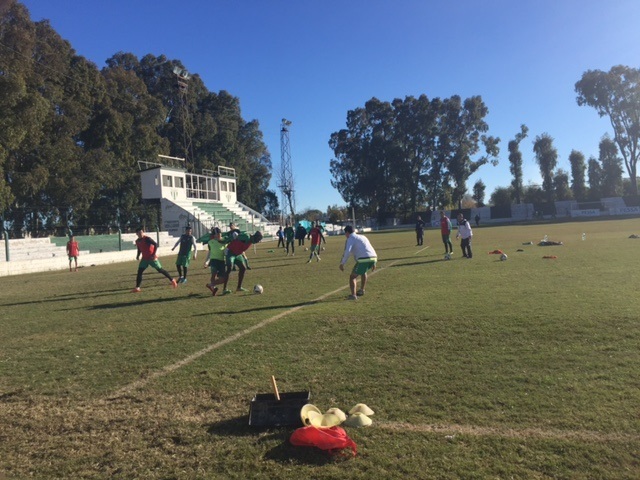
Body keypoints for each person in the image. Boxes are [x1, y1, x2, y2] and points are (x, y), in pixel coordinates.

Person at [132, 227, 178, 292]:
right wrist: (138, 255)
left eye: (141, 232)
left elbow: (155, 244)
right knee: (139, 272)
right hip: (144, 259)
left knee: (160, 270)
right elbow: (139, 249)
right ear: (136, 234)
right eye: (139, 233)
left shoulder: (147, 239)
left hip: (152, 258)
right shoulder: (137, 241)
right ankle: (137, 288)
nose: (140, 234)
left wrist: (153, 254)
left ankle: (172, 280)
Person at [339, 225, 377, 300]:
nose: (345, 235)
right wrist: (374, 263)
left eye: (345, 233)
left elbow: (347, 252)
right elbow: (369, 247)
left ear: (347, 232)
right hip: (374, 257)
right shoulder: (363, 236)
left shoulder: (350, 238)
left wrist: (342, 263)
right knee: (363, 272)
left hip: (364, 259)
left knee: (352, 277)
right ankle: (362, 290)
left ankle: (353, 295)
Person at [204, 227, 228, 296]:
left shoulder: (224, 241)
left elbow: (226, 250)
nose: (218, 236)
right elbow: (210, 252)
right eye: (217, 234)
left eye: (219, 234)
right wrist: (206, 262)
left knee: (223, 279)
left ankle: (210, 285)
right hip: (214, 260)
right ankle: (213, 288)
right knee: (213, 274)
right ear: (214, 235)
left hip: (222, 261)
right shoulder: (210, 242)